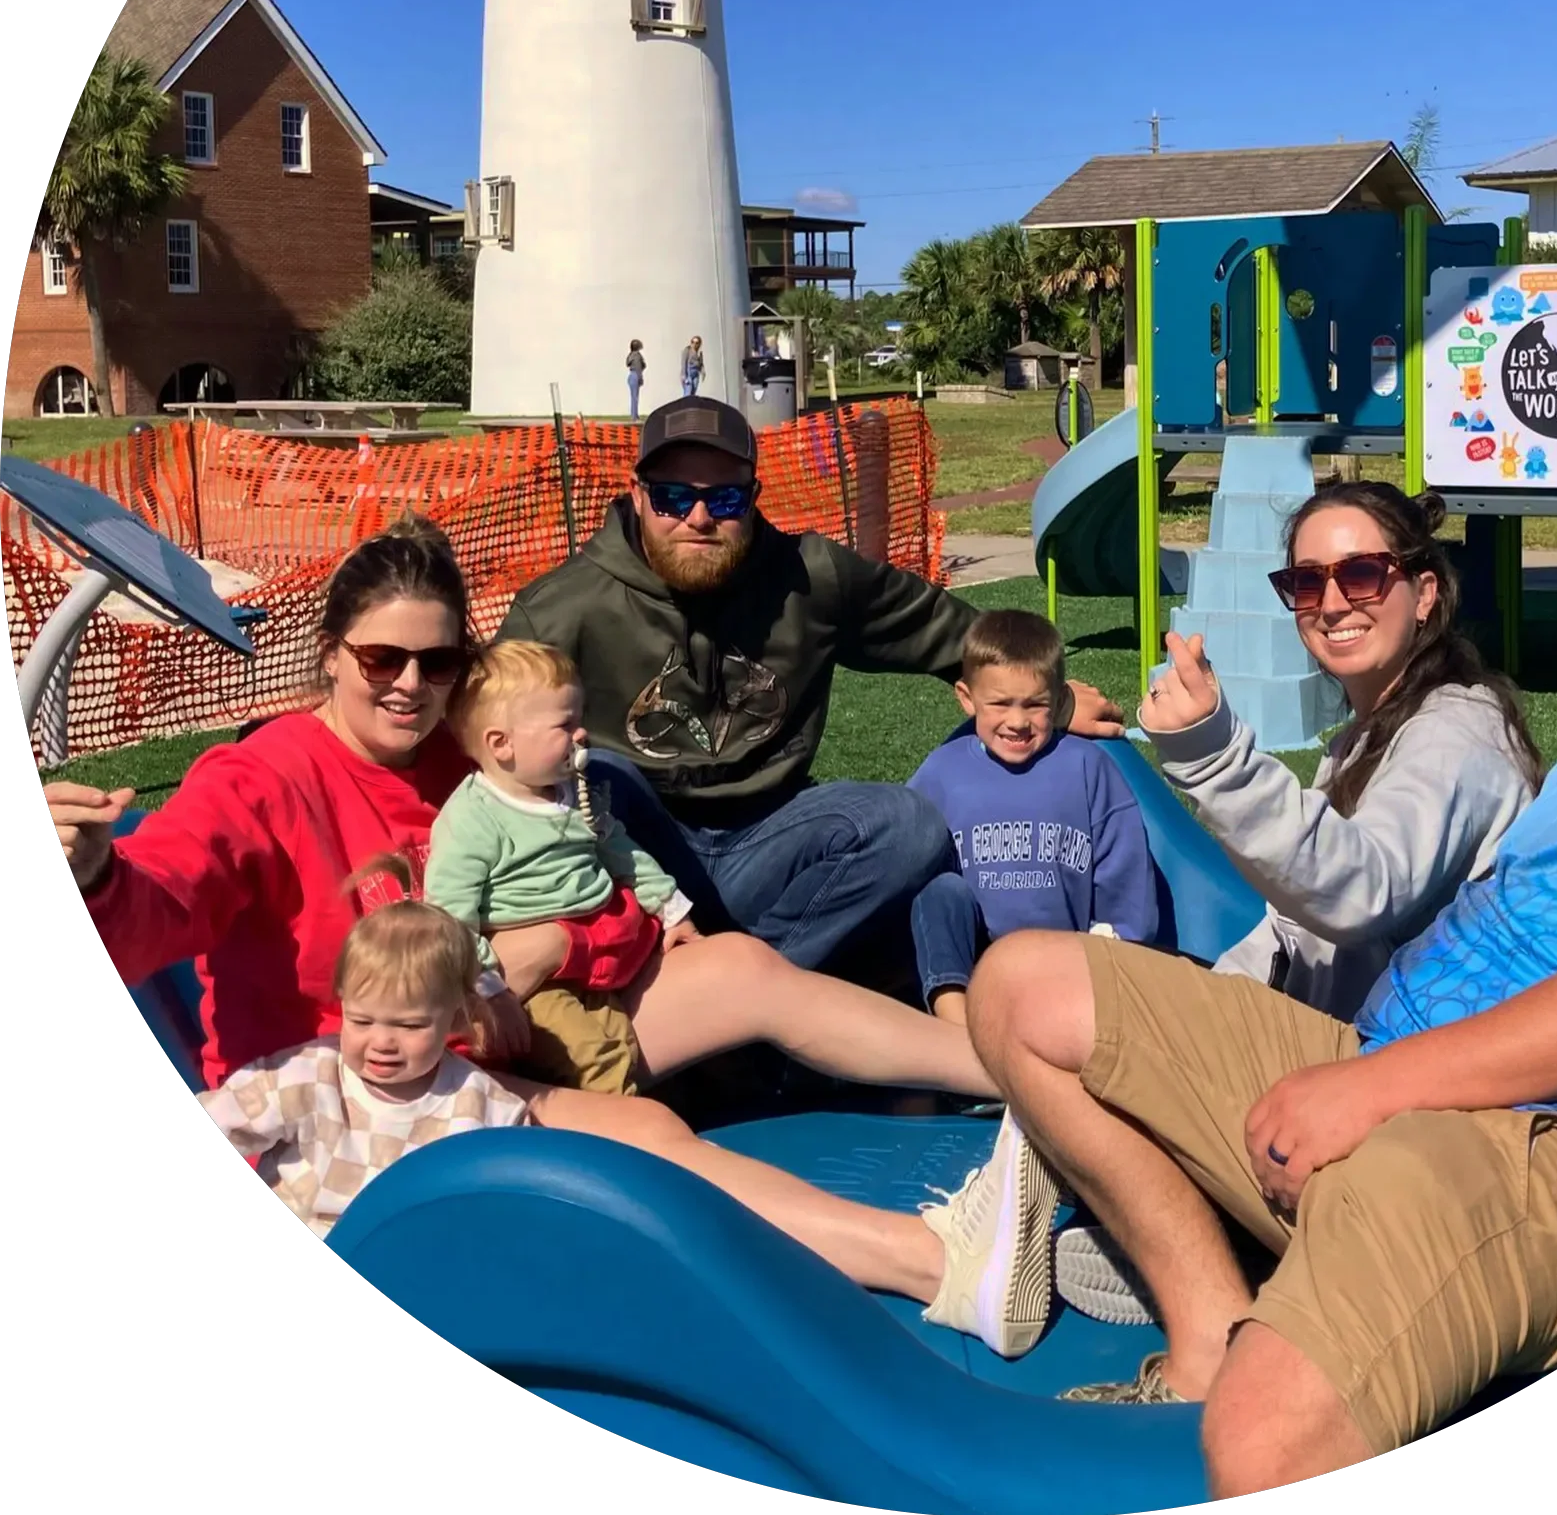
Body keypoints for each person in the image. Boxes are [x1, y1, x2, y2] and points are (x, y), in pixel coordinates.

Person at [956, 473, 1557, 1497]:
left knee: (1264, 1438)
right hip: (1387, 1072)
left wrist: (1366, 1090)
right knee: (1025, 987)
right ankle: (1213, 1327)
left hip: (1546, 1157)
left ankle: (1273, 1316)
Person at [47, 512, 1067, 1357]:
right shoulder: (261, 779)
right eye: (381, 657)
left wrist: (551, 953)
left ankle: (1033, 1072)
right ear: (331, 655)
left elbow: (600, 897)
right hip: (365, 1082)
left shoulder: (466, 766)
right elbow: (152, 912)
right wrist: (93, 872)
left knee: (740, 966)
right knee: (646, 1140)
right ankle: (941, 1267)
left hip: (517, 1021)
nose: (409, 683)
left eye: (438, 660)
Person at [1052, 481, 1544, 1324]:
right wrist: (1202, 1001)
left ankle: (1196, 1256)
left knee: (1049, 991)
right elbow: (1294, 930)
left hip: (1404, 1096)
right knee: (1098, 1007)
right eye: (1306, 583)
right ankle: (1163, 1216)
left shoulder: (1458, 734)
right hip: (1354, 1058)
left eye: (1362, 574)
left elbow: (1361, 890)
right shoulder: (1374, 731)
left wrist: (1214, 754)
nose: (1332, 603)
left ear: (1425, 592)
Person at [491, 395, 1123, 996]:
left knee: (908, 826)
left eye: (725, 498)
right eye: (673, 497)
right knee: (603, 773)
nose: (699, 518)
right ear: (637, 495)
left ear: (753, 496)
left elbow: (943, 630)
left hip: (771, 839)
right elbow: (486, 750)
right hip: (639, 855)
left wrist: (1055, 699)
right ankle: (751, 999)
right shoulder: (561, 610)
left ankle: (733, 997)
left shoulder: (808, 576)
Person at [197, 856, 532, 1241]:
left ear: (456, 1017)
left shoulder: (480, 1106)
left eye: (410, 1026)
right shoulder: (307, 1078)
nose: (382, 1042)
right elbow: (227, 1115)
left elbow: (518, 1194)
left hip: (409, 1258)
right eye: (361, 1021)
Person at [425, 640, 700, 1096]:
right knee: (596, 1059)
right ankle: (625, 1131)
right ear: (502, 743)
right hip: (538, 988)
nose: (581, 734)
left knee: (622, 1044)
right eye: (565, 724)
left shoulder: (572, 791)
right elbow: (450, 917)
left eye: (579, 718)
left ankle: (619, 1116)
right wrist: (489, 987)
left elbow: (620, 851)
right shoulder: (473, 819)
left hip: (595, 961)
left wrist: (671, 909)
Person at [907, 608, 1161, 1027]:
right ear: (967, 698)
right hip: (970, 974)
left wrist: (1116, 949)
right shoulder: (941, 772)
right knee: (939, 892)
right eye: (999, 703)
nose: (1018, 721)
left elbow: (1124, 874)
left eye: (1036, 704)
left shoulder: (1087, 768)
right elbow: (903, 862)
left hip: (1064, 976)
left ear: (1059, 702)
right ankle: (958, 1030)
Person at [627, 340, 647, 420]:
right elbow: (639, 367)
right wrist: (640, 378)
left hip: (631, 375)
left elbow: (627, 363)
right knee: (635, 397)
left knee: (633, 397)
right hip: (636, 375)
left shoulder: (630, 355)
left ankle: (634, 414)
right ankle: (634, 416)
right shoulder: (637, 356)